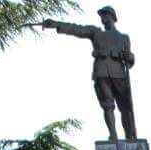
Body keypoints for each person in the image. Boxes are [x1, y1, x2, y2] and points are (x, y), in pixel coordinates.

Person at [44, 6, 136, 141]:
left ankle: (130, 136)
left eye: (105, 15)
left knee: (126, 107)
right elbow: (77, 29)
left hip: (119, 73)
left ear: (112, 17)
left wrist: (129, 57)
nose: (102, 18)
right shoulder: (96, 32)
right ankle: (113, 135)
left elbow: (130, 60)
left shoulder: (124, 38)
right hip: (102, 72)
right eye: (102, 16)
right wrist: (56, 24)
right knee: (107, 105)